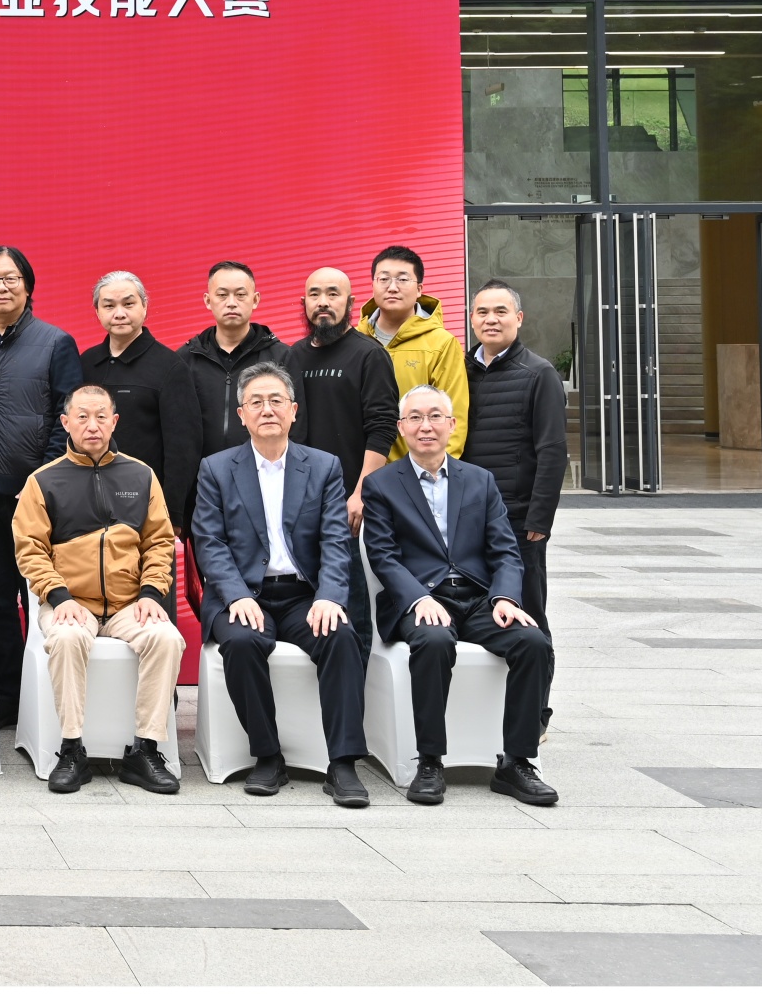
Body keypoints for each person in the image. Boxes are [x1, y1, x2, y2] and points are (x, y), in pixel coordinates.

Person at [364, 385, 559, 807]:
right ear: (401, 427)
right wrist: (418, 598)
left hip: (478, 598)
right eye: (415, 417)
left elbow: (505, 551)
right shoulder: (381, 485)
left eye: (435, 416)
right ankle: (430, 761)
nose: (426, 426)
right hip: (420, 599)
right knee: (434, 641)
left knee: (533, 642)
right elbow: (383, 556)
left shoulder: (479, 480)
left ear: (452, 425)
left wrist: (505, 598)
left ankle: (517, 762)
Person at [193, 363, 369, 808]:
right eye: (256, 402)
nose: (267, 409)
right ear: (241, 414)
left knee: (341, 637)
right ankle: (268, 755)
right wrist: (236, 595)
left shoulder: (323, 466)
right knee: (241, 642)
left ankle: (343, 762)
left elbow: (335, 540)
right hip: (243, 594)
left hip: (303, 595)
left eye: (276, 401)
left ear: (294, 411)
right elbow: (209, 542)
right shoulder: (216, 468)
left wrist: (330, 596)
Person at [13, 386, 185, 796]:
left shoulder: (141, 475)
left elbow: (160, 542)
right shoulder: (43, 480)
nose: (92, 425)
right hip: (71, 602)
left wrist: (151, 594)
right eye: (83, 416)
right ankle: (72, 750)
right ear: (66, 423)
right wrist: (59, 597)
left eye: (101, 416)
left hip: (130, 604)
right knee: (67, 638)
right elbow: (29, 549)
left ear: (114, 422)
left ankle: (145, 750)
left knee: (166, 638)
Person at [0, 246, 82, 728]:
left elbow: (66, 418)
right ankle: (8, 696)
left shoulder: (56, 343)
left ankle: (47, 695)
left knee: (43, 596)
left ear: (28, 286)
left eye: (11, 278)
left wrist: (41, 481)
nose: (1, 287)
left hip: (38, 499)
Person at [461, 279, 567, 732]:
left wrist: (539, 518)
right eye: (482, 312)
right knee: (481, 610)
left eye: (501, 311)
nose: (491, 320)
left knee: (529, 615)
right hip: (467, 519)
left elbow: (553, 451)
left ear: (518, 319)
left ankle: (537, 714)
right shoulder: (459, 370)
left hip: (519, 519)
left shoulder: (538, 373)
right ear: (472, 319)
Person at [279, 267, 399, 657]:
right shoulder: (292, 356)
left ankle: (357, 676)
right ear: (304, 303)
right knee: (310, 600)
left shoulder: (369, 354)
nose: (323, 302)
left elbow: (382, 427)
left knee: (351, 599)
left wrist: (361, 491)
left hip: (349, 502)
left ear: (350, 302)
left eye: (333, 294)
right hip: (299, 501)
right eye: (315, 294)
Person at [80, 270, 203, 546]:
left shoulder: (169, 366)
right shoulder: (86, 363)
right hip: (88, 504)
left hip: (146, 507)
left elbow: (183, 447)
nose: (119, 313)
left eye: (129, 303)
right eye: (109, 305)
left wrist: (172, 513)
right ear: (97, 311)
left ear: (145, 306)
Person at [180, 262, 288, 499]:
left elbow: (296, 425)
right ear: (208, 300)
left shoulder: (281, 357)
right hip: (201, 486)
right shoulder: (185, 359)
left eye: (240, 295)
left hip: (266, 481)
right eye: (222, 295)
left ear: (255, 299)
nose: (231, 302)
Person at [356, 246, 469, 459]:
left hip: (417, 471)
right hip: (360, 471)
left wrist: (437, 472)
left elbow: (454, 417)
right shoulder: (354, 341)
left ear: (419, 289)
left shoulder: (441, 343)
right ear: (373, 285)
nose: (392, 287)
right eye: (384, 279)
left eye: (402, 279)